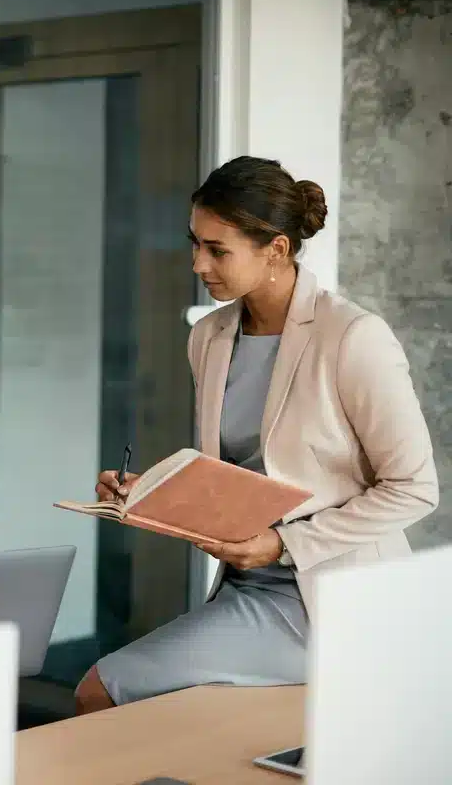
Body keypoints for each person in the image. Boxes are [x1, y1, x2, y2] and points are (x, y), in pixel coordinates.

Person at [74, 156, 439, 714]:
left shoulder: (353, 337)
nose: (198, 263)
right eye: (194, 243)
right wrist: (150, 494)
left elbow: (414, 488)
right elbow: (242, 477)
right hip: (243, 584)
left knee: (99, 690)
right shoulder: (209, 336)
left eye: (217, 250)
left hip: (325, 595)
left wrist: (284, 544)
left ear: (276, 249)